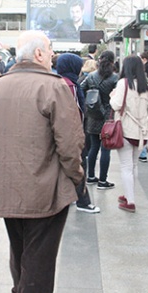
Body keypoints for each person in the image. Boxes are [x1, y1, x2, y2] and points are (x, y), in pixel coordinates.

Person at [0, 31, 84, 292]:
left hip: (4, 186)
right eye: (50, 49)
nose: (52, 54)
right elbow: (70, 144)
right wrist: (76, 176)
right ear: (38, 54)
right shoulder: (54, 86)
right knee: (40, 260)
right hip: (45, 189)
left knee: (20, 250)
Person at [56, 53, 100, 213]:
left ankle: (68, 198)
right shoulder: (71, 86)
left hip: (61, 133)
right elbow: (77, 111)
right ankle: (83, 201)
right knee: (80, 165)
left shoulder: (59, 82)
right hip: (71, 134)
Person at [110, 56, 148, 213]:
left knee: (126, 166)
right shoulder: (147, 84)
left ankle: (130, 201)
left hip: (127, 128)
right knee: (134, 165)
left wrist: (112, 95)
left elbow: (116, 105)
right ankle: (129, 195)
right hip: (143, 129)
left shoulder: (123, 84)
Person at [81, 50, 119, 190]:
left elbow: (81, 88)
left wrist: (89, 102)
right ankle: (103, 180)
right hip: (108, 116)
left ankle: (90, 176)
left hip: (92, 115)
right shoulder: (115, 78)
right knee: (105, 149)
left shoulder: (91, 76)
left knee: (93, 147)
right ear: (112, 61)